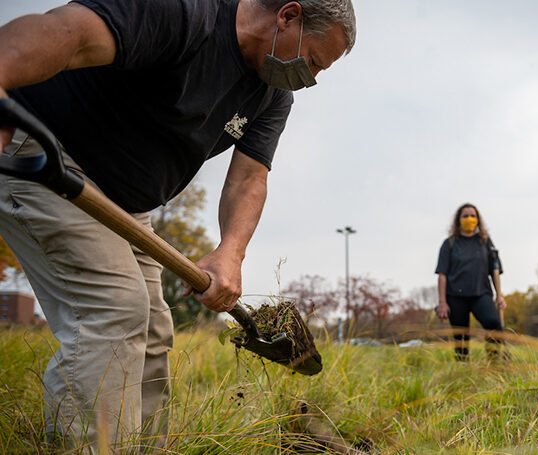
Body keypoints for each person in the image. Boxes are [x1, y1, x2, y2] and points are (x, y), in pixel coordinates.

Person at [0, 0, 356, 449]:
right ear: (288, 16)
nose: (310, 80)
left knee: (152, 330)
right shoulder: (186, 14)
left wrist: (231, 252)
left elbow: (250, 177)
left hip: (126, 203)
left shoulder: (271, 94)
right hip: (48, 159)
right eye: (311, 63)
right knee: (114, 311)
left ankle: (143, 448)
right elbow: (68, 33)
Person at [435, 203, 506, 361]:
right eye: (465, 216)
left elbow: (495, 270)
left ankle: (493, 362)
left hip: (481, 294)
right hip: (455, 296)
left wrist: (499, 295)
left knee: (493, 323)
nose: (469, 219)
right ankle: (462, 369)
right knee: (461, 337)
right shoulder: (450, 244)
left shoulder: (485, 242)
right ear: (458, 220)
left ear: (478, 220)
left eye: (473, 216)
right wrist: (442, 302)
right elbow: (442, 274)